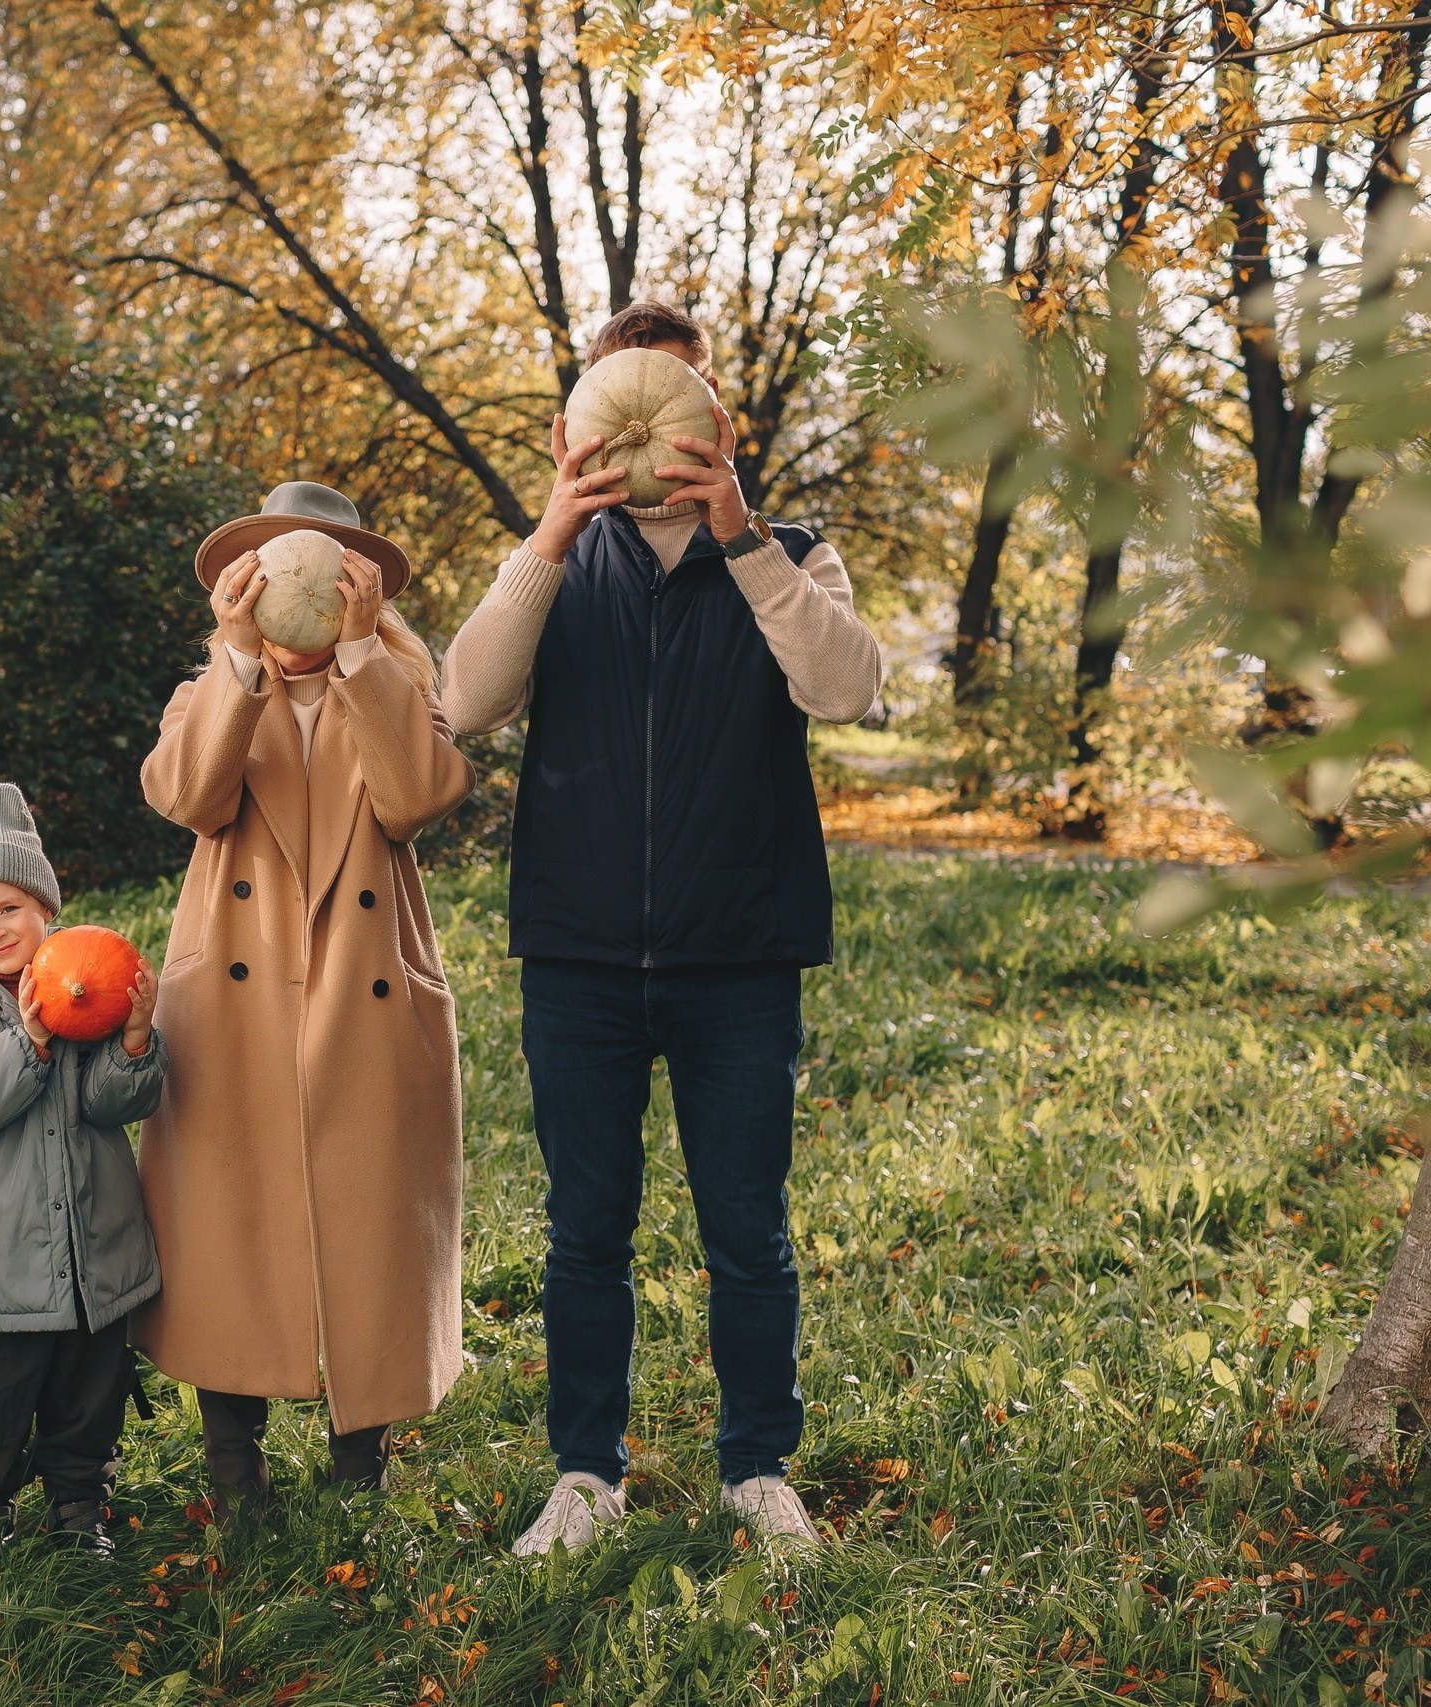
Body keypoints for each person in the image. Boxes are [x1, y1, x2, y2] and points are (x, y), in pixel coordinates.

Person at [442, 300, 885, 1556]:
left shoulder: (789, 550)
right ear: (572, 424)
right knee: (586, 1231)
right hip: (577, 952)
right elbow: (462, 702)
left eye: (677, 400)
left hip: (739, 952)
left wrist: (743, 535)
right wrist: (549, 531)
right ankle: (586, 1474)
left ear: (718, 420)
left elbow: (847, 689)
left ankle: (758, 1468)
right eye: (621, 402)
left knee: (747, 1229)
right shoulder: (549, 563)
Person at [135, 480, 474, 1513]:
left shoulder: (399, 685)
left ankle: (359, 1454)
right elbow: (190, 797)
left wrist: (368, 654)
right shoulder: (210, 693)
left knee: (367, 1219)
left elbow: (415, 802)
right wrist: (235, 657)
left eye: (321, 570)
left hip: (363, 995)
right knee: (226, 1221)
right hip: (235, 1000)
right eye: (275, 566)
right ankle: (233, 1462)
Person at [0, 783, 166, 1559]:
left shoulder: (82, 987)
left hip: (91, 1248)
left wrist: (132, 1040)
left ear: (47, 908)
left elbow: (109, 1105)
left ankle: (78, 1505)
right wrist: (27, 1040)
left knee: (87, 1394)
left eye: (11, 909)